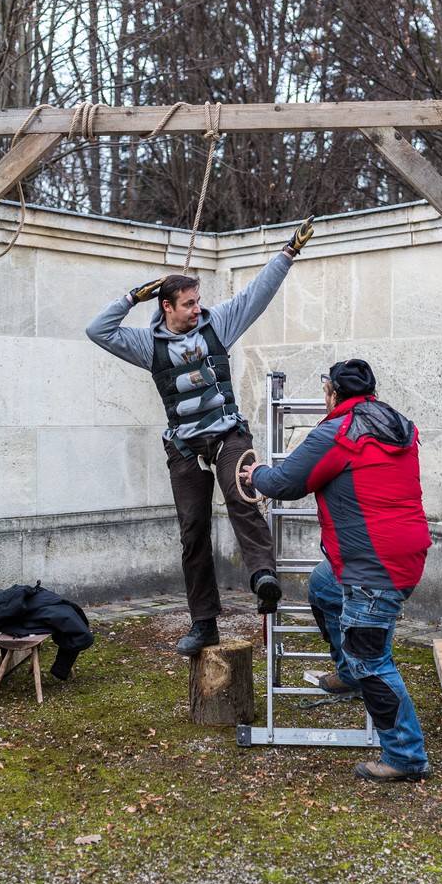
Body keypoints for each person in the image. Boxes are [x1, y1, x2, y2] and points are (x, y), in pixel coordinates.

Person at [85, 218, 314, 655]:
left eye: (197, 301)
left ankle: (263, 577)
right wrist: (133, 296)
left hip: (228, 434)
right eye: (188, 304)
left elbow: (256, 296)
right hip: (184, 444)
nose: (196, 309)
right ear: (166, 307)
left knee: (243, 496)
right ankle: (204, 623)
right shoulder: (144, 344)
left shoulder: (217, 325)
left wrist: (288, 253)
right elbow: (98, 330)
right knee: (193, 532)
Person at [240, 358, 432, 783]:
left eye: (326, 389)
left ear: (333, 393)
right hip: (400, 552)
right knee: (324, 587)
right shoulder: (399, 426)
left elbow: (287, 482)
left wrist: (258, 473)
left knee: (373, 662)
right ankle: (347, 672)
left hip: (373, 567)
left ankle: (406, 756)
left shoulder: (338, 433)